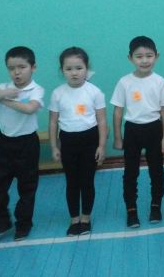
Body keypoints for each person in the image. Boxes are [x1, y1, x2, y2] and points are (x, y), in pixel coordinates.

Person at [0, 46, 44, 241]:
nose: (16, 72)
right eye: (11, 68)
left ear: (33, 67)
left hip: (27, 143)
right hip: (4, 142)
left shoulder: (36, 89)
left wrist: (2, 99)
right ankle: (3, 221)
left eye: (22, 67)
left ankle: (23, 224)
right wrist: (1, 94)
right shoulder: (3, 87)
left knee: (27, 186)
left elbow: (29, 109)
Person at [48, 47, 107, 236]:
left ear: (86, 68)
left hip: (90, 140)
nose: (74, 73)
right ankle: (74, 219)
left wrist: (101, 146)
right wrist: (54, 146)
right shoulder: (58, 93)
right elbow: (53, 122)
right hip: (68, 141)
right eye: (69, 69)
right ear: (62, 70)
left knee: (87, 181)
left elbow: (102, 121)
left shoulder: (94, 92)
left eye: (79, 68)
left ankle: (85, 218)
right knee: (72, 182)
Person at [111, 36, 164, 228]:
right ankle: (131, 210)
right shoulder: (124, 82)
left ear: (156, 56)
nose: (144, 60)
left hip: (154, 129)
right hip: (132, 130)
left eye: (149, 56)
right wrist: (118, 136)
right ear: (130, 58)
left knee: (157, 171)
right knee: (130, 172)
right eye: (139, 56)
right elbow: (118, 111)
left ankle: (156, 206)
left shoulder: (159, 81)